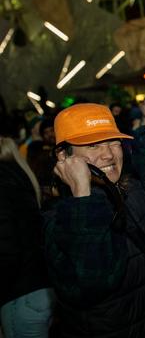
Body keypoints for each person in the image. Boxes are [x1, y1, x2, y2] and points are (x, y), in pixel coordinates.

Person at [44, 103, 145, 337]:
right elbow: (92, 283)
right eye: (93, 145)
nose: (108, 154)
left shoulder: (133, 190)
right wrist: (82, 195)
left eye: (112, 141)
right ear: (63, 156)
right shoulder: (58, 216)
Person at [1, 136, 53, 338]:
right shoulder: (23, 177)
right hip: (42, 286)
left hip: (19, 293)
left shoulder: (3, 183)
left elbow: (6, 246)